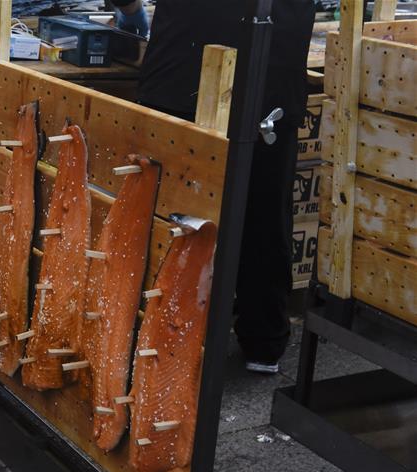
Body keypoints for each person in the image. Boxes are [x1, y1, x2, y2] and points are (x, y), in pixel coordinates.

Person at [111, 0, 316, 374]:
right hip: (268, 74)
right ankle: (261, 342)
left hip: (188, 74)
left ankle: (162, 344)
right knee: (263, 214)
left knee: (174, 221)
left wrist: (128, 11)